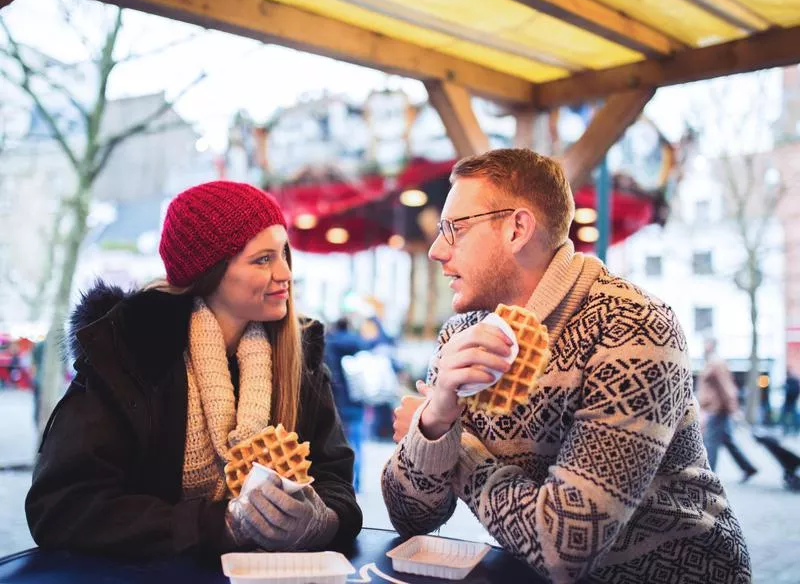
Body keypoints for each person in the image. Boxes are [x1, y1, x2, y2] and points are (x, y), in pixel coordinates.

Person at [382, 149, 750, 583]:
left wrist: (454, 449)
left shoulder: (633, 326)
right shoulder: (460, 336)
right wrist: (438, 419)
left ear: (517, 228)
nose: (436, 250)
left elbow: (566, 546)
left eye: (454, 229)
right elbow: (412, 519)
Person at [26, 181, 362, 558]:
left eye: (284, 253)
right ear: (210, 271)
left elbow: (337, 483)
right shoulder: (132, 354)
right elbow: (61, 508)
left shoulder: (299, 359)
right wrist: (223, 526)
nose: (285, 273)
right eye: (263, 259)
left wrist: (322, 521)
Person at [696, 337, 758, 483]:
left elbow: (726, 386)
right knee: (726, 440)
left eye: (705, 343)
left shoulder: (716, 362)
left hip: (717, 409)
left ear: (710, 345)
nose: (704, 346)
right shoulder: (711, 361)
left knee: (711, 441)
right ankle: (747, 467)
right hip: (715, 408)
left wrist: (733, 408)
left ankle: (708, 476)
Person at [324, 317, 369, 492]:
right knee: (357, 442)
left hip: (337, 404)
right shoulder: (359, 345)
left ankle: (345, 481)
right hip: (357, 402)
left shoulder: (329, 345)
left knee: (340, 444)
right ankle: (358, 482)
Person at [780, 369, 799, 436]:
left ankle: (789, 430)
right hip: (791, 401)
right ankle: (792, 430)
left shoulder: (790, 381)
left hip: (790, 401)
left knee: (787, 416)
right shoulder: (794, 381)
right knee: (791, 416)